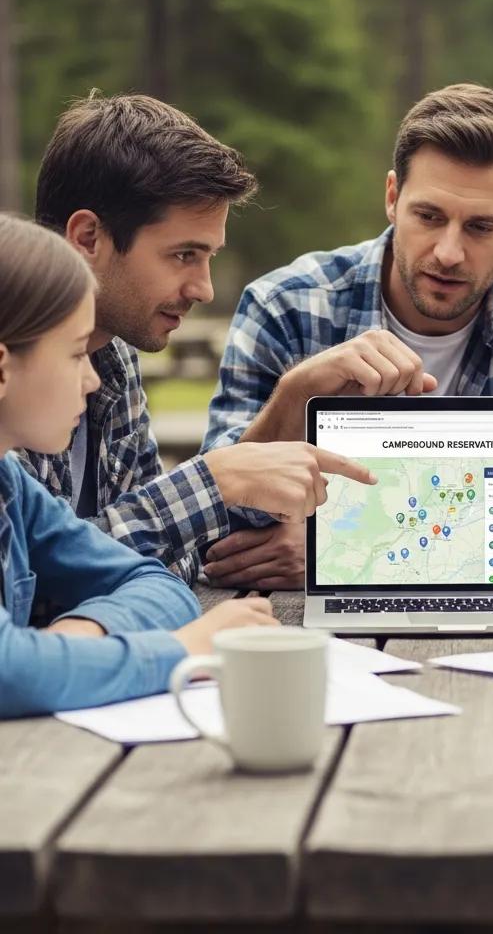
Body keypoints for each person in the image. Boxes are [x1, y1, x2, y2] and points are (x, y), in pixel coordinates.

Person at [202, 82, 493, 590]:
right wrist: (295, 396)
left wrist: (339, 553)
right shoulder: (285, 305)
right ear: (392, 198)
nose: (448, 251)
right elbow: (216, 523)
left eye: (481, 227)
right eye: (428, 216)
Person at [21, 93, 375, 589]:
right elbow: (29, 579)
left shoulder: (115, 358)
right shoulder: (15, 372)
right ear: (87, 238)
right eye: (184, 254)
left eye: (209, 257)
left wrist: (293, 401)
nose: (204, 289)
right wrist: (213, 481)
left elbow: (172, 559)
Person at [0, 214, 283, 718]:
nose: (91, 381)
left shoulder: (11, 484)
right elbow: (11, 674)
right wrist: (183, 651)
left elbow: (159, 584)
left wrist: (81, 640)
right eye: (72, 355)